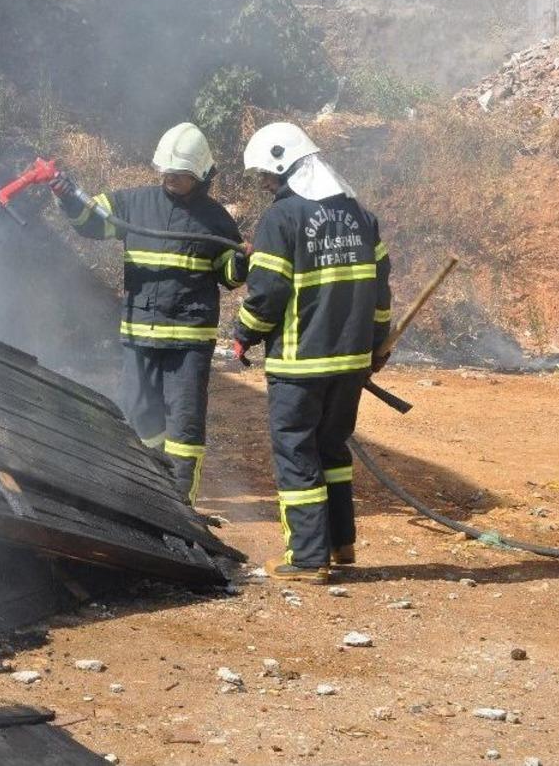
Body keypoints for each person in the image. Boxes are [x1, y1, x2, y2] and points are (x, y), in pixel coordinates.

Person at [49, 123, 247, 505]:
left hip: (188, 342)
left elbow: (229, 276)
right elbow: (90, 223)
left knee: (184, 425)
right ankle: (146, 489)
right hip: (140, 333)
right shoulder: (132, 204)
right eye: (168, 173)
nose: (172, 179)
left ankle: (179, 503)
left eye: (181, 175)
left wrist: (241, 262)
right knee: (137, 413)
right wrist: (68, 198)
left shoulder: (217, 219)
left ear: (201, 174)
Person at [233, 122, 392, 584]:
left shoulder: (282, 219)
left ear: (286, 168)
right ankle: (341, 544)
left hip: (300, 363)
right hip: (350, 362)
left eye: (268, 176)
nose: (266, 185)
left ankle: (306, 559)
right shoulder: (361, 216)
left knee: (296, 451)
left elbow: (267, 290)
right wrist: (377, 342)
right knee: (332, 448)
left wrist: (245, 333)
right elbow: (381, 289)